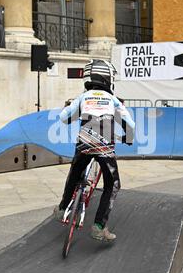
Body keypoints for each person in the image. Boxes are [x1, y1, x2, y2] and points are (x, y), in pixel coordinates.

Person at [54, 59, 136, 242]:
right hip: (104, 146)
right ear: (108, 79)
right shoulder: (113, 100)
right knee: (112, 184)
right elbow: (130, 125)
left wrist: (75, 112)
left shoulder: (83, 97)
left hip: (83, 143)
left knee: (74, 174)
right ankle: (99, 226)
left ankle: (62, 209)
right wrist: (127, 138)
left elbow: (64, 117)